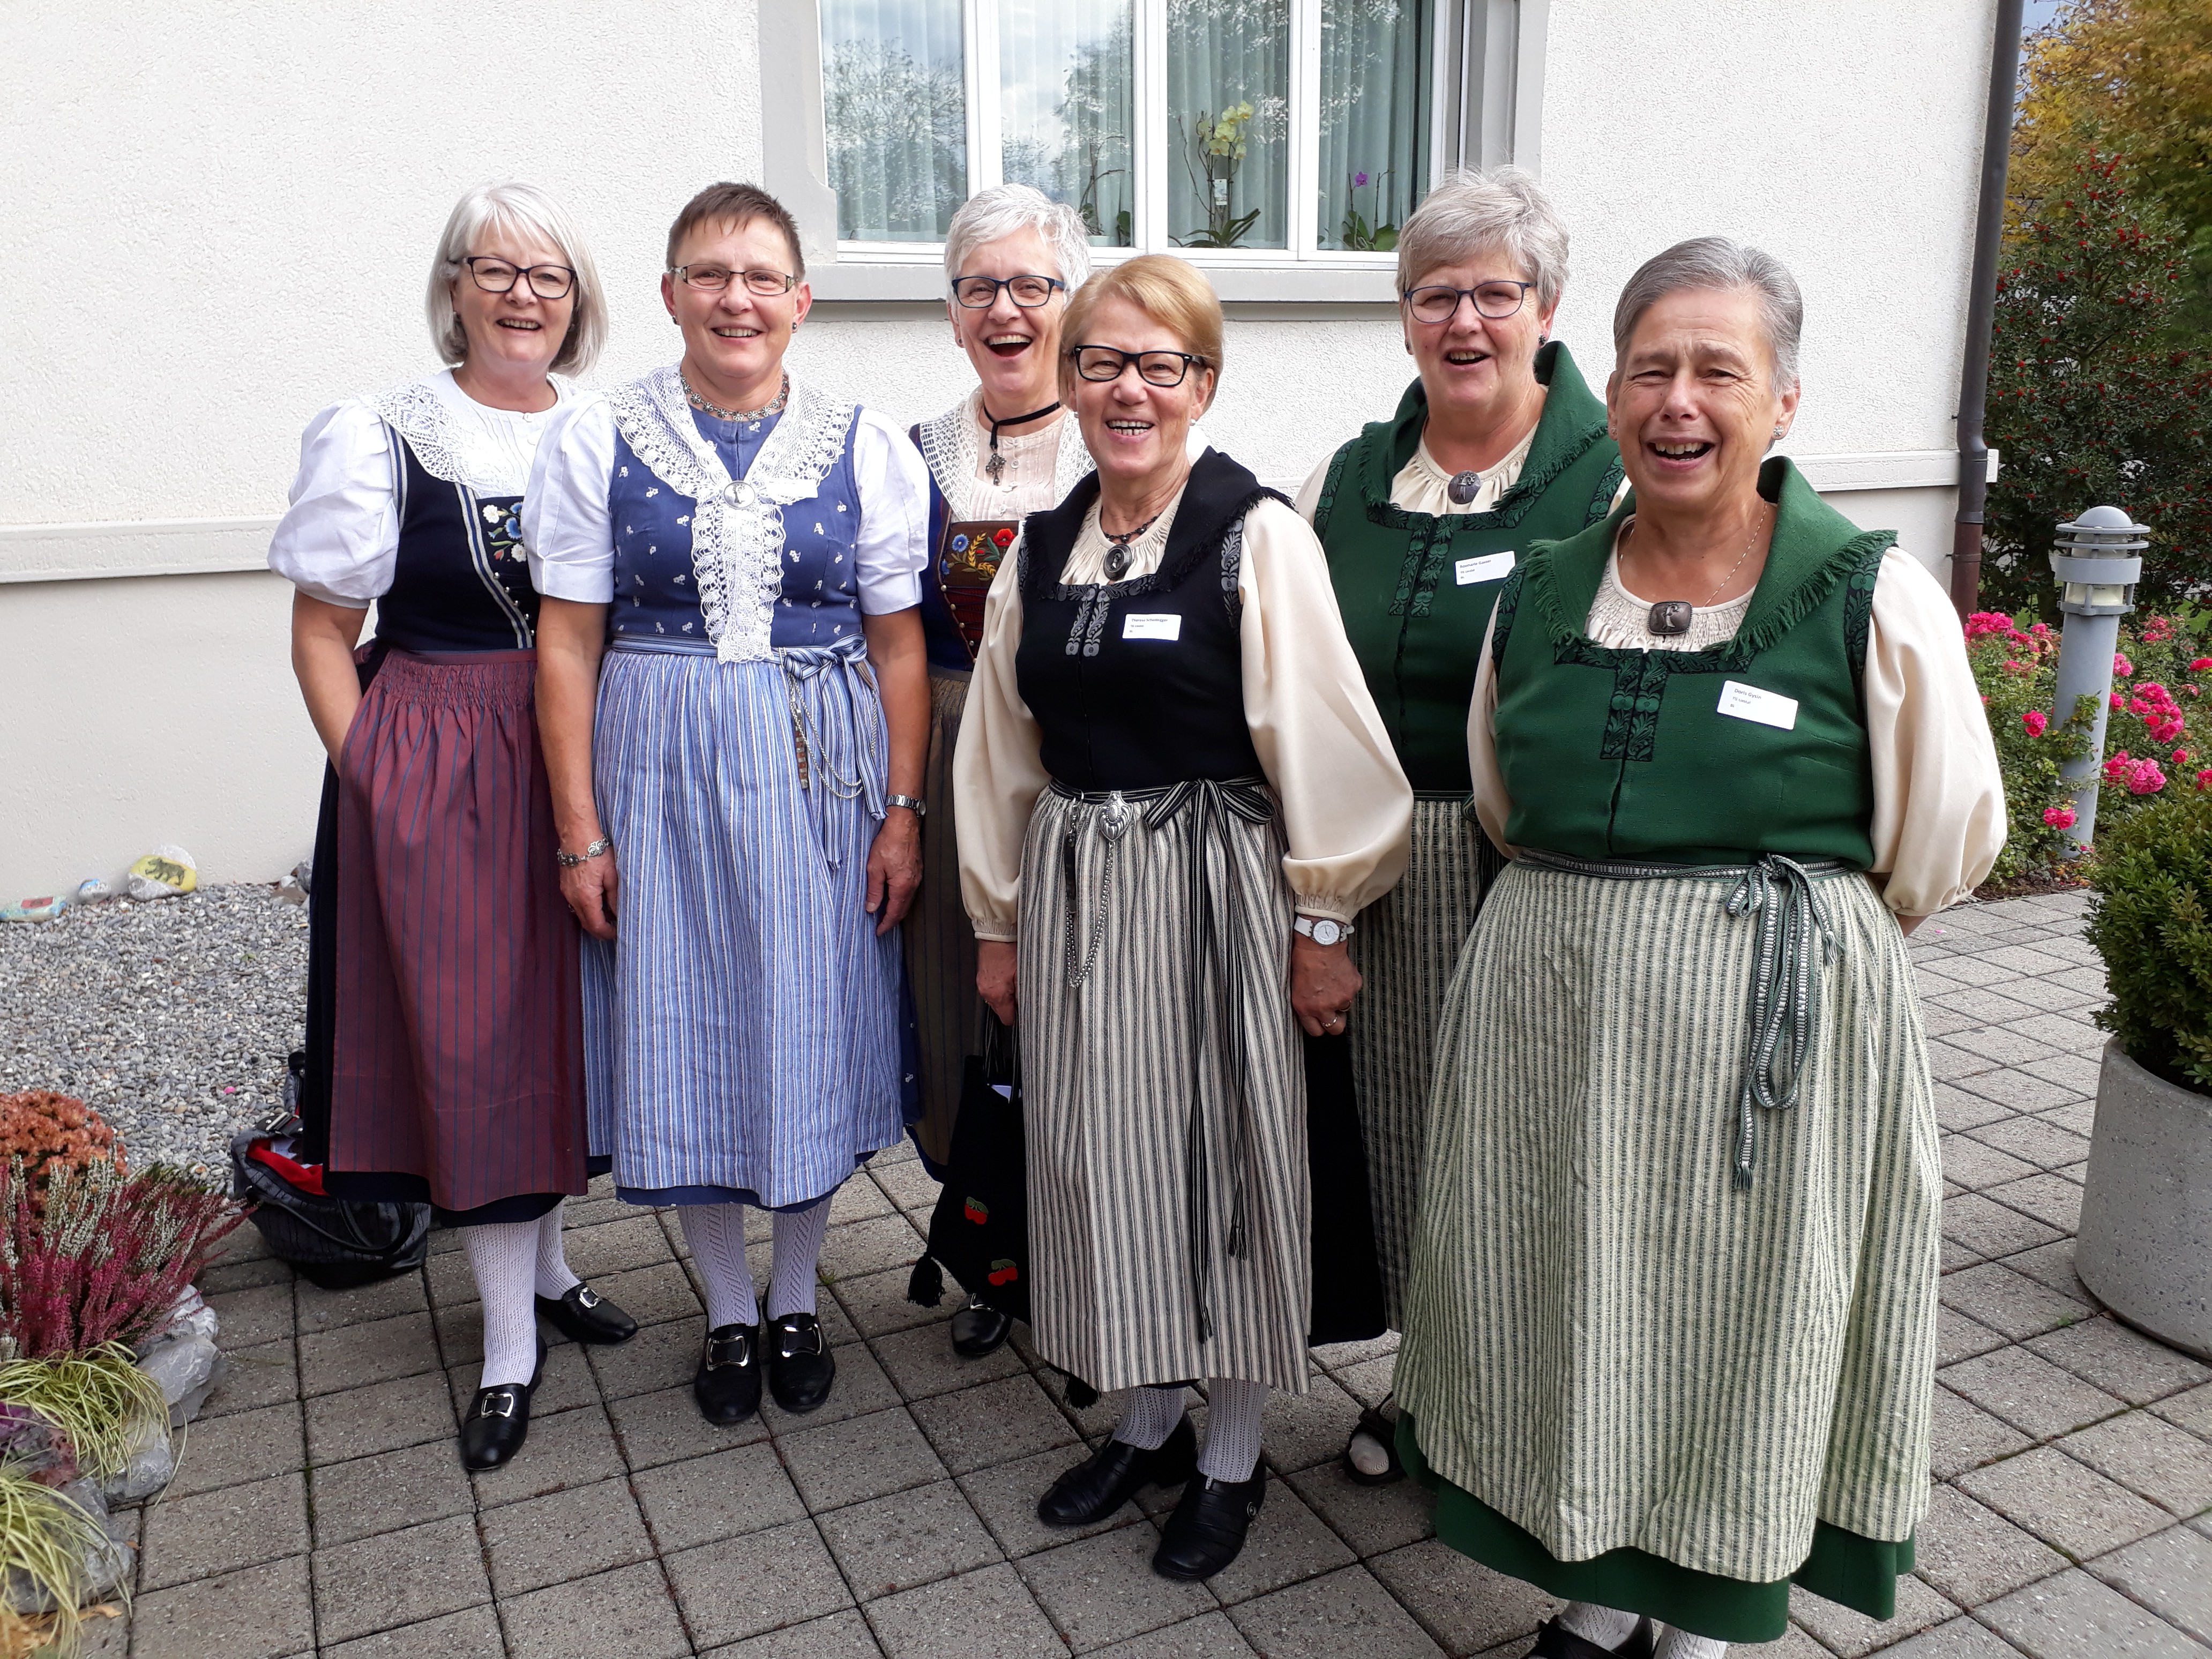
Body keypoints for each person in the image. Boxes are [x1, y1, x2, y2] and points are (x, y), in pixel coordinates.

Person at [1394, 238, 2006, 1659]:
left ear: (1781, 402)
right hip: (1553, 1013)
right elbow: (1502, 792)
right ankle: (1603, 1587)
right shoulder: (1541, 589)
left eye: (1719, 371)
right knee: (1572, 1296)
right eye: (1652, 368)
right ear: (1608, 393)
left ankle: (1712, 1616)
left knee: (1741, 1313)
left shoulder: (1869, 591)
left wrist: (1782, 940)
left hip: (1769, 1037)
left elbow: (1945, 839)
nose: (1681, 402)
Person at [954, 254, 1413, 1581]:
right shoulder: (1042, 546)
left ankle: (1231, 1451)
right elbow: (998, 749)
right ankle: (1149, 1418)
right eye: (1103, 362)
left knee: (1224, 1167)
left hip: (1218, 889)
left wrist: (1320, 923)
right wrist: (998, 921)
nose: (1130, 390)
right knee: (1104, 1158)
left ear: (1204, 383)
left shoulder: (1254, 531)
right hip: (1083, 895)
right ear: (1071, 375)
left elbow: (1327, 741)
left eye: (1162, 366)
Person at [526, 183, 930, 1429]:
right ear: (668, 296)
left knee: (806, 1020)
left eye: (761, 276)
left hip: (821, 768)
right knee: (688, 1016)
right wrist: (579, 828)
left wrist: (902, 812)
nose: (736, 297)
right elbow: (566, 644)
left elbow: (901, 645)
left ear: (801, 301)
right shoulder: (598, 437)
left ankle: (800, 1294)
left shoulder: (864, 442)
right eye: (710, 274)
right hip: (660, 766)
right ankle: (727, 1309)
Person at [272, 181, 638, 1473]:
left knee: (564, 1020)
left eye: (548, 273)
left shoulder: (607, 425)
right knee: (477, 1034)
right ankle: (503, 1341)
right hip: (449, 751)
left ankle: (545, 1271)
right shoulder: (385, 431)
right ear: (454, 288)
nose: (523, 294)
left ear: (578, 297)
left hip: (590, 748)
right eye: (497, 270)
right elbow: (324, 629)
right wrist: (374, 770)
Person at [1294, 167, 1620, 1485]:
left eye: (1497, 293)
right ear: (1404, 314)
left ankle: (1518, 1412)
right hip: (1373, 866)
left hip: (1533, 873)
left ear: (1548, 306)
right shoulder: (1348, 477)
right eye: (1438, 295)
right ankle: (1429, 1390)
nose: (1467, 323)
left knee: (1520, 1150)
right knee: (1397, 1145)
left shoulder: (1613, 478)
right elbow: (1297, 687)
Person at [906, 184, 1096, 1363]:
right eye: (983, 288)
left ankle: (1080, 1248)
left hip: (1076, 752)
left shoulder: (1117, 440)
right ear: (954, 311)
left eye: (1034, 285)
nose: (1008, 310)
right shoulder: (912, 454)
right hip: (942, 736)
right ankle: (989, 1244)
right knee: (965, 1000)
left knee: (1074, 1002)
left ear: (1073, 302)